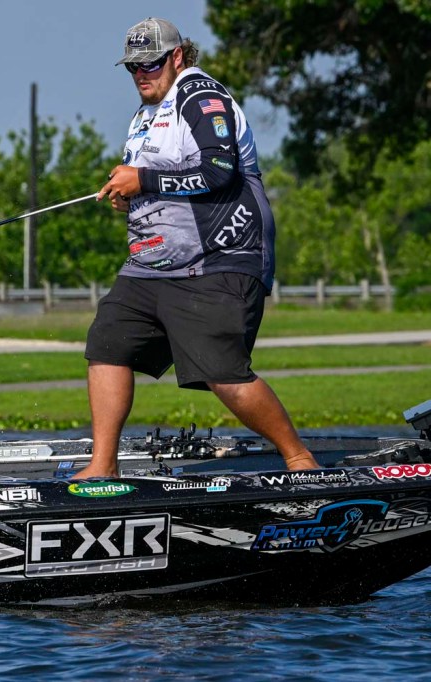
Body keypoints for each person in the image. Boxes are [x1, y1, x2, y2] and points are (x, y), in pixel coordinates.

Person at [72, 17, 320, 479]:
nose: (141, 74)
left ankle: (300, 460)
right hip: (151, 266)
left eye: (150, 63)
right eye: (133, 67)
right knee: (107, 341)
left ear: (177, 56)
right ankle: (102, 466)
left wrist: (143, 180)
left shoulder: (200, 97)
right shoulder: (145, 115)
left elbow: (219, 171)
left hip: (218, 259)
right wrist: (129, 196)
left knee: (220, 370)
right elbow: (154, 180)